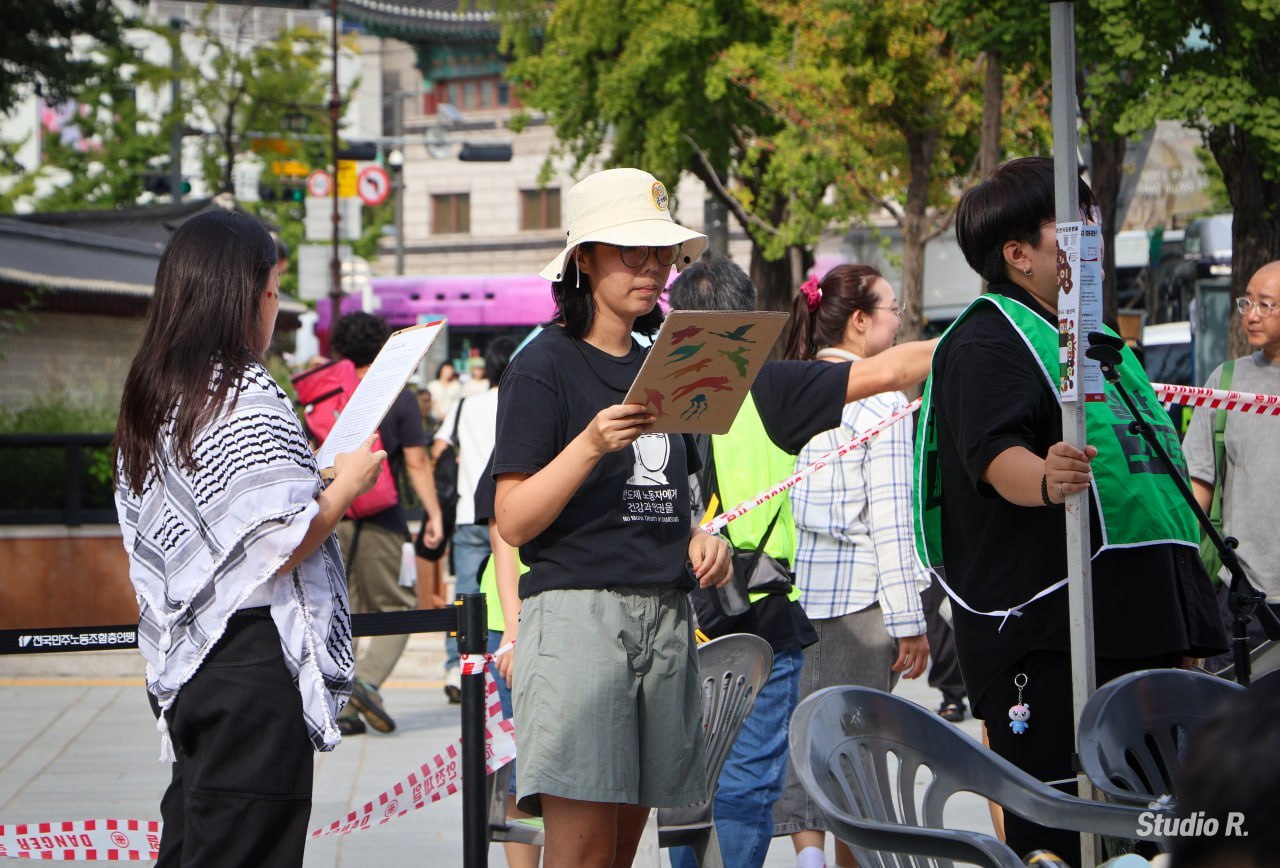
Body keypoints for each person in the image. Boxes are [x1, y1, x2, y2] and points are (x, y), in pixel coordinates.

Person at [914, 156, 1226, 862]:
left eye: (1091, 217)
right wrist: (1047, 476)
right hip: (1050, 632)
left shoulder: (1103, 342)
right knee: (1061, 830)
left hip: (1140, 620)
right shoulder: (983, 339)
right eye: (1071, 223)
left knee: (1156, 827)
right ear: (1017, 253)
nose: (1091, 231)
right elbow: (994, 458)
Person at [113, 210, 385, 866]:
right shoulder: (243, 394)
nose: (274, 308)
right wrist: (346, 484)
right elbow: (275, 540)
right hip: (255, 663)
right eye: (273, 291)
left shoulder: (158, 387)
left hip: (193, 657)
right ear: (245, 294)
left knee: (198, 841)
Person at [492, 167, 733, 868]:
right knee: (585, 855)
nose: (653, 269)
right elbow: (512, 519)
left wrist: (701, 537)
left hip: (665, 614)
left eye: (661, 254)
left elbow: (667, 500)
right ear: (585, 259)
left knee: (623, 852)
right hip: (578, 619)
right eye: (633, 253)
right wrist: (589, 443)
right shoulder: (544, 367)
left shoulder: (675, 359)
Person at [773, 264, 932, 868]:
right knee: (858, 753)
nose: (898, 321)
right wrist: (909, 618)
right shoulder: (881, 400)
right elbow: (890, 519)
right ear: (861, 321)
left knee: (809, 737)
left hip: (802, 593)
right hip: (863, 603)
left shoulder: (797, 384)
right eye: (891, 310)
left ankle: (810, 858)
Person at [666, 257, 819, 868]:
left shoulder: (658, 400)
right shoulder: (775, 389)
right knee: (748, 782)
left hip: (677, 617)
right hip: (763, 616)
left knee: (686, 788)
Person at [328, 311, 445, 736]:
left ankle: (343, 706)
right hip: (381, 518)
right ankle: (366, 683)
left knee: (347, 609)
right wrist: (432, 513)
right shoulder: (396, 394)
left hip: (334, 514)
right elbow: (416, 462)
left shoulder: (329, 393)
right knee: (399, 606)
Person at [1182, 260, 1280, 666]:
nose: (1251, 315)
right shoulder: (1225, 383)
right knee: (1235, 724)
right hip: (1242, 600)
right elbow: (1198, 484)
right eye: (1247, 302)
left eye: (1266, 305)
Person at [434, 336, 518, 702]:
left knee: (467, 594)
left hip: (470, 508)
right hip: (515, 509)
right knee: (508, 587)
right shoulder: (522, 402)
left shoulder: (467, 404)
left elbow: (439, 447)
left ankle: (459, 664)